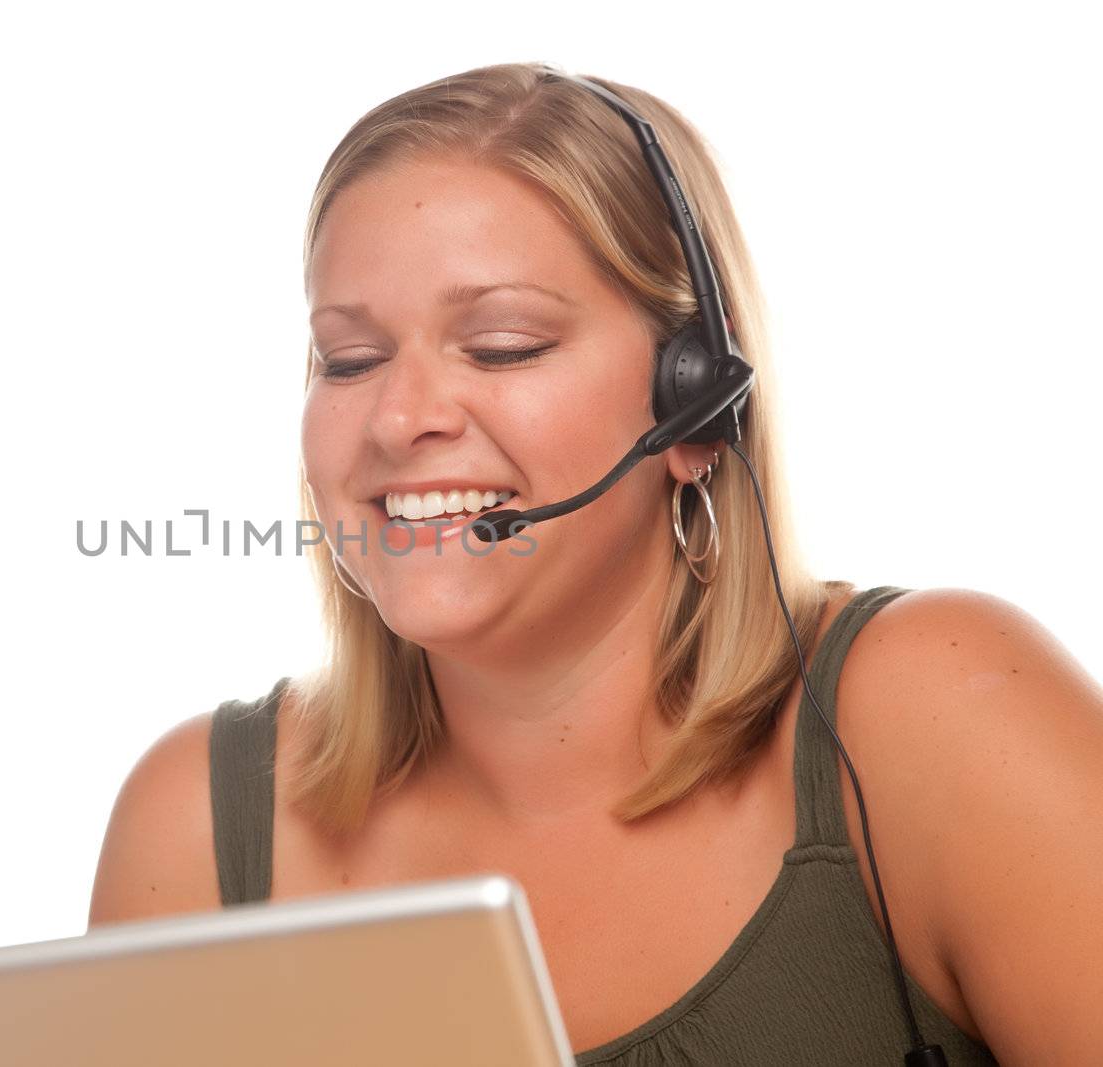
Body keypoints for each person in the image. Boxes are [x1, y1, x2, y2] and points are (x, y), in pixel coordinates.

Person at [88, 63, 1103, 1063]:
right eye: (348, 359)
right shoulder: (197, 831)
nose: (397, 419)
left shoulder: (936, 713)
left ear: (693, 404)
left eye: (502, 345)